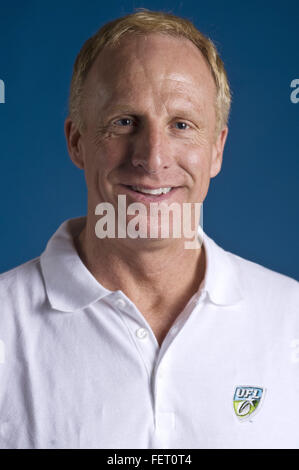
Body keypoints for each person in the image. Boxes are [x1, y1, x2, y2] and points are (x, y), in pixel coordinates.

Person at [0, 10, 298, 450]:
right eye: (124, 122)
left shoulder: (291, 321)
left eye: (182, 125)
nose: (153, 158)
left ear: (217, 150)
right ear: (77, 141)